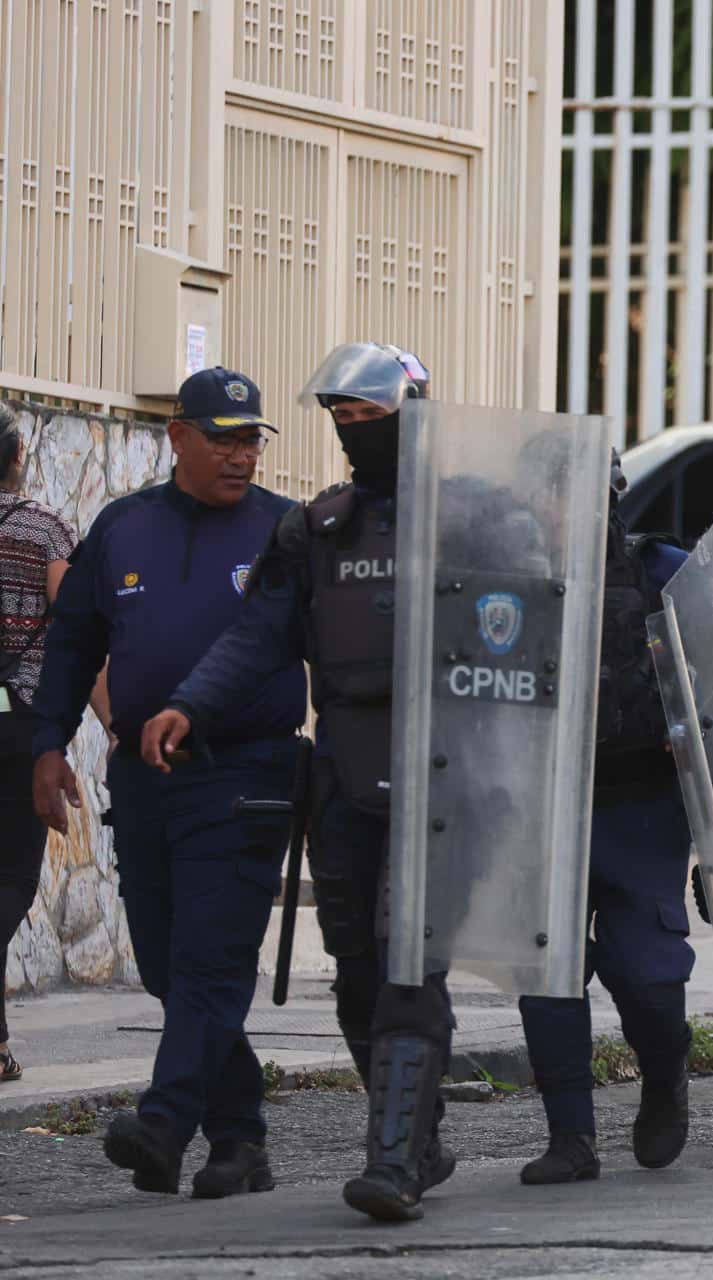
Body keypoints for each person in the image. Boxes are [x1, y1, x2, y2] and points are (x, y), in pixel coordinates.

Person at [140, 343, 460, 1221]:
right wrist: (189, 705)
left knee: (408, 969)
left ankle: (394, 1162)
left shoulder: (471, 519)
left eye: (371, 417)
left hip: (446, 774)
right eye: (342, 418)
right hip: (345, 771)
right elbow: (257, 636)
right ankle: (423, 1135)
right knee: (357, 976)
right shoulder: (317, 529)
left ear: (415, 415)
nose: (355, 432)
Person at [32, 369, 303, 1198]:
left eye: (251, 439)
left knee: (210, 962)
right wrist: (48, 746)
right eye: (223, 439)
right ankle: (241, 1137)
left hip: (246, 773)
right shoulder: (125, 526)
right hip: (144, 780)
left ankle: (163, 1123)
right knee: (165, 966)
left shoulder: (287, 531)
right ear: (178, 437)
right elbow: (73, 644)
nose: (241, 455)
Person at [512, 452, 696, 1184]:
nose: (566, 507)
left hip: (639, 801)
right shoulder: (510, 576)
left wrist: (689, 722)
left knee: (646, 971)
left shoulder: (661, 570)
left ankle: (666, 1074)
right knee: (548, 967)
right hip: (544, 801)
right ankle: (571, 1135)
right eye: (553, 491)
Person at [0, 405, 79, 1086]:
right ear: (18, 453)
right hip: (17, 723)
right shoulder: (43, 529)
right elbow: (78, 627)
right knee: (11, 879)